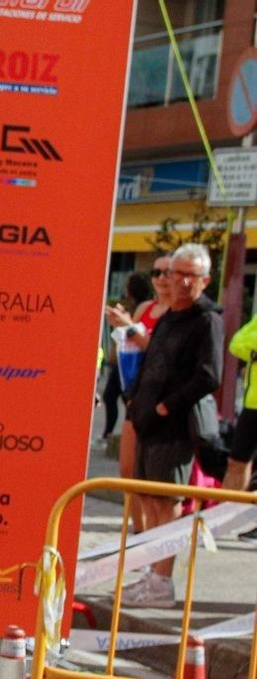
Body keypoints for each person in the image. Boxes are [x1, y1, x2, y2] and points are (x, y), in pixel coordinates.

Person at [124, 243, 223, 608]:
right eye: (172, 273)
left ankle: (163, 581)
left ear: (204, 280)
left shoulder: (207, 319)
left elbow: (209, 375)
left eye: (188, 276)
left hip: (175, 429)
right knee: (148, 501)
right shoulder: (168, 317)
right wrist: (135, 400)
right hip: (147, 422)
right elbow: (150, 362)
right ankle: (152, 575)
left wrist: (167, 406)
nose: (178, 282)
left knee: (167, 505)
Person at [107, 254, 172, 534]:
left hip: (165, 403)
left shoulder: (179, 313)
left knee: (154, 479)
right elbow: (131, 350)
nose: (160, 278)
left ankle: (153, 542)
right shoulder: (146, 307)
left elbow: (160, 355)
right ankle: (138, 533)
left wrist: (129, 328)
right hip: (136, 397)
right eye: (155, 273)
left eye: (166, 273)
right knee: (127, 470)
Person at [100, 272, 153, 440]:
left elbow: (134, 334)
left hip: (130, 362)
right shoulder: (141, 306)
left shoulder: (144, 307)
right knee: (117, 397)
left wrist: (125, 323)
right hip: (126, 361)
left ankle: (115, 433)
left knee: (119, 397)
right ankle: (111, 433)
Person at [224, 312, 257, 494]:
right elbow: (236, 344)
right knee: (236, 462)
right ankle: (223, 518)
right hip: (252, 404)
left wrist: (253, 350)